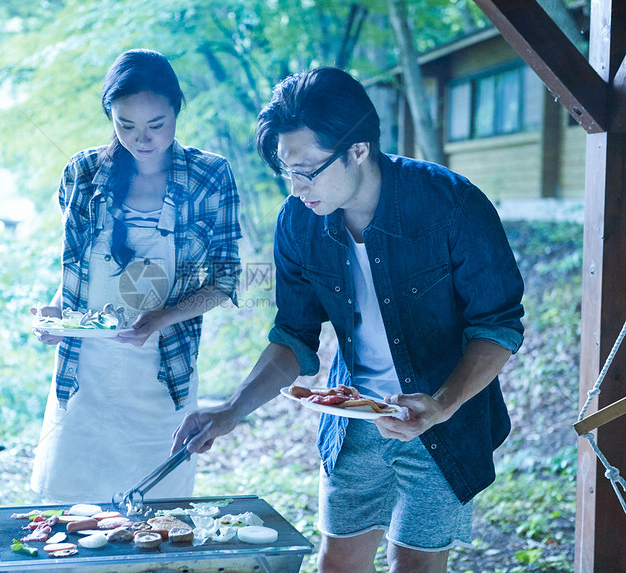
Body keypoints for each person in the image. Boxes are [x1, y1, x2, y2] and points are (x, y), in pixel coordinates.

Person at [172, 67, 524, 572]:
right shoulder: (298, 221)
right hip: (353, 415)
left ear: (357, 150)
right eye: (285, 172)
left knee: (416, 564)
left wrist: (443, 404)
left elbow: (498, 324)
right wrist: (231, 410)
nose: (295, 189)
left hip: (443, 417)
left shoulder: (452, 204)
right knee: (336, 562)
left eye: (307, 171)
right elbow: (294, 337)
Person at [31, 49, 242, 504]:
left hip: (165, 373)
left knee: (155, 516)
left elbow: (225, 280)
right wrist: (57, 311)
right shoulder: (83, 173)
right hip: (84, 370)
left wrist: (161, 318)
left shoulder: (210, 177)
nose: (141, 139)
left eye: (156, 125)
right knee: (70, 514)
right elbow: (77, 269)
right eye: (125, 125)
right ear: (110, 116)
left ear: (177, 111)